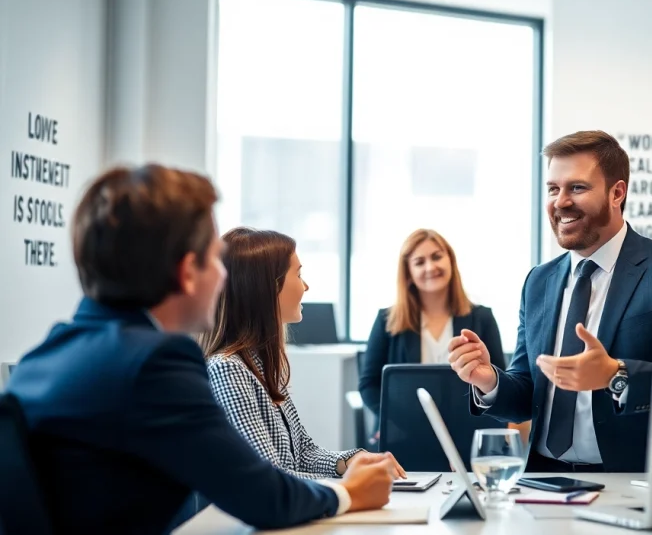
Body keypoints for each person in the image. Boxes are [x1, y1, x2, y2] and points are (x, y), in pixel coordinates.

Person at [5, 165, 392, 535]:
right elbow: (261, 495)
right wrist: (349, 493)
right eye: (214, 259)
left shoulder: (46, 355)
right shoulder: (155, 364)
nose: (224, 277)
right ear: (188, 271)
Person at [448, 130, 652, 473]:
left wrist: (615, 374)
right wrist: (488, 379)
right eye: (553, 189)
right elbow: (528, 394)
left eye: (577, 188)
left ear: (617, 193)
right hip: (545, 478)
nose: (560, 202)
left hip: (632, 479)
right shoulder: (538, 282)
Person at [199, 227, 406, 480]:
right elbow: (270, 479)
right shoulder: (228, 369)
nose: (306, 286)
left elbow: (303, 453)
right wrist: (350, 486)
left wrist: (350, 461)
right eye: (298, 274)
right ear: (267, 287)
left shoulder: (260, 364)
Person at [359, 229, 506, 420]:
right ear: (409, 273)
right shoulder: (387, 320)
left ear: (450, 261)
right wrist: (390, 421)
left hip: (468, 424)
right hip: (404, 425)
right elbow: (369, 385)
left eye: (437, 257)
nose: (430, 267)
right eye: (419, 262)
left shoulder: (482, 318)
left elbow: (498, 381)